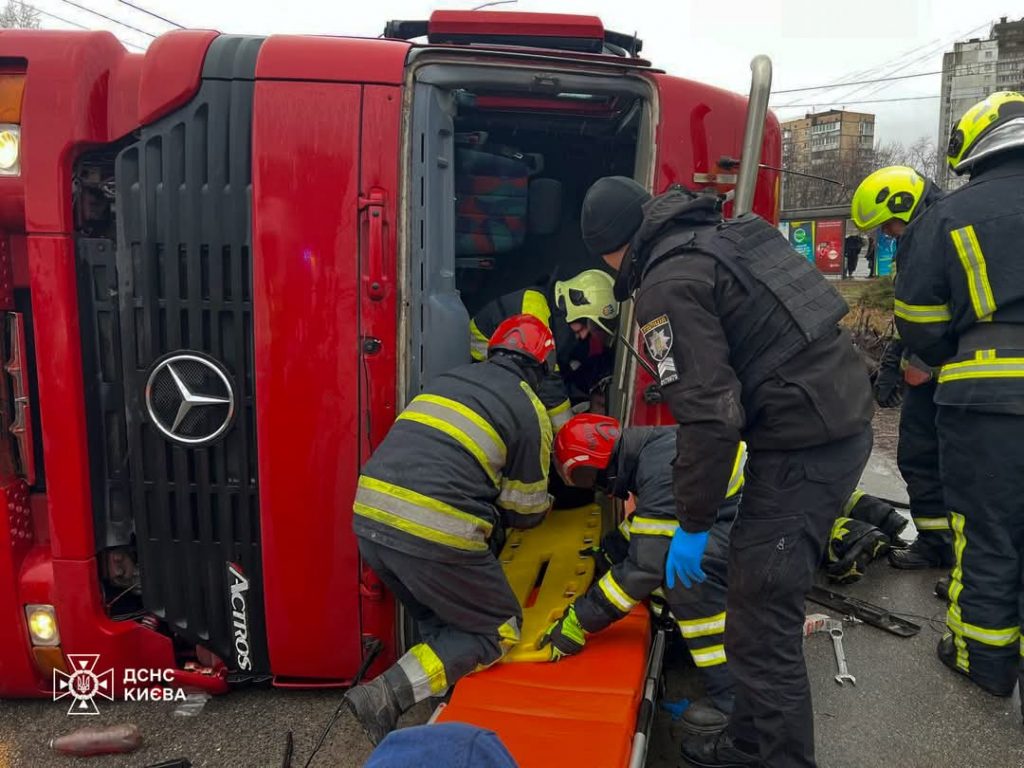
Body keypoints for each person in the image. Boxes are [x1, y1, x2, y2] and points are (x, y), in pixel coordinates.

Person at [580, 176, 873, 768]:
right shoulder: (731, 234)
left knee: (765, 624)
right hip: (826, 420)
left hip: (806, 446)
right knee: (748, 599)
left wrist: (691, 522)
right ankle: (749, 742)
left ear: (612, 247)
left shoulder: (668, 283)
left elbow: (710, 418)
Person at [344, 314, 556, 745]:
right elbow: (525, 509)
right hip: (433, 529)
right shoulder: (528, 407)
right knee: (497, 630)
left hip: (369, 516)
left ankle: (444, 690)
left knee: (442, 615)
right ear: (540, 368)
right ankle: (386, 696)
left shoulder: (449, 379)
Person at [893, 91, 1024, 700]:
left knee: (989, 527)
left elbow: (920, 322)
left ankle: (985, 659)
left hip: (989, 395)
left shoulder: (951, 215)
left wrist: (957, 358)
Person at [542, 414, 745, 735]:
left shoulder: (662, 471)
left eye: (585, 476)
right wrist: (607, 555)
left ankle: (733, 701)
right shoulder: (653, 451)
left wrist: (579, 620)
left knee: (683, 574)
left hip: (754, 528)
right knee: (667, 552)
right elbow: (649, 526)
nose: (594, 485)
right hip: (742, 512)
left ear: (599, 462)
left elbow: (644, 569)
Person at [850, 166, 952, 571]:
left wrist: (924, 362)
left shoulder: (942, 233)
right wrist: (894, 362)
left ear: (904, 206)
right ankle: (938, 542)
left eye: (887, 225)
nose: (885, 235)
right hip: (934, 373)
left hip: (950, 375)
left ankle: (953, 549)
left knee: (946, 462)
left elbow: (954, 307)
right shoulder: (928, 235)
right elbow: (911, 314)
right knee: (918, 455)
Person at [468, 269, 620, 432]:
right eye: (584, 324)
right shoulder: (533, 310)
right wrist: (568, 431)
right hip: (485, 367)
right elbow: (548, 382)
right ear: (571, 305)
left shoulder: (552, 314)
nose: (583, 335)